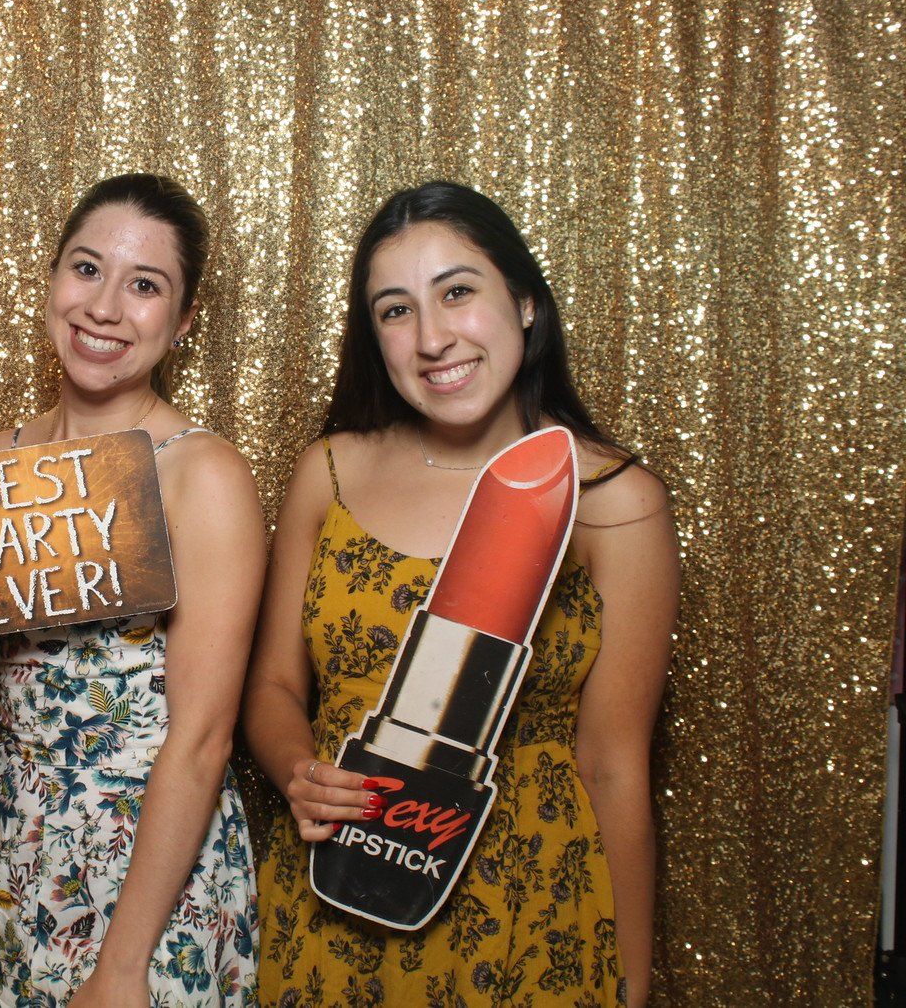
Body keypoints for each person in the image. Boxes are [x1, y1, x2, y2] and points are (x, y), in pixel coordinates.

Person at [244, 181, 678, 1006]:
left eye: (457, 292)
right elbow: (272, 686)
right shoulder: (330, 471)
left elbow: (615, 764)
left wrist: (631, 980)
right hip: (341, 888)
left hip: (532, 904)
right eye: (396, 310)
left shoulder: (614, 501)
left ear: (523, 303)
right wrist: (298, 768)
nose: (434, 338)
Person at [0, 174, 264, 1006]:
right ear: (53, 281)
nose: (104, 306)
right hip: (17, 863)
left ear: (184, 320)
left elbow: (202, 739)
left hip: (153, 885)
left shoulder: (201, 476)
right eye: (87, 270)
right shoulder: (0, 461)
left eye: (144, 286)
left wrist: (123, 966)